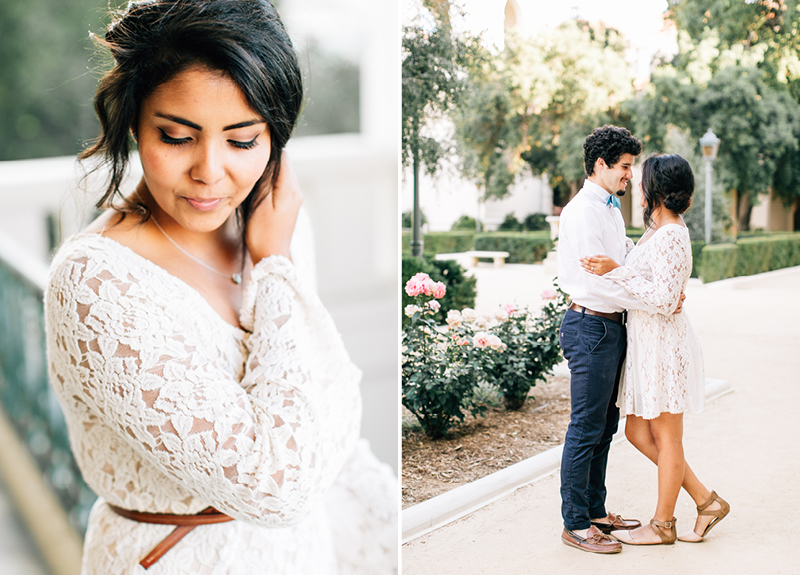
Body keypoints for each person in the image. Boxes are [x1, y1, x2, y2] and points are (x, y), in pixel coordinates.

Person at [43, 1, 396, 573]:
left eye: (242, 140)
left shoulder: (270, 222)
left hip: (304, 554)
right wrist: (276, 267)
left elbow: (318, 429)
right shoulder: (95, 284)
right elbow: (275, 486)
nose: (210, 172)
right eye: (177, 136)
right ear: (134, 120)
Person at [581, 153, 729, 545]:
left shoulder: (673, 233)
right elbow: (654, 283)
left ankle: (663, 524)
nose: (637, 184)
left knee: (667, 438)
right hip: (647, 346)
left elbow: (664, 298)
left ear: (653, 190)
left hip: (665, 347)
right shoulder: (656, 230)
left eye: (642, 179)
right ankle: (704, 499)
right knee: (636, 432)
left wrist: (617, 271)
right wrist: (623, 266)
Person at [556, 125, 676, 554]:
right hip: (590, 326)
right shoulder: (584, 211)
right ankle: (575, 523)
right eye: (625, 167)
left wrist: (661, 291)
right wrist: (654, 299)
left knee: (604, 427)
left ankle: (596, 511)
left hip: (611, 326)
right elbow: (601, 279)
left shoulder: (609, 207)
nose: (631, 175)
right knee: (586, 427)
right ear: (601, 165)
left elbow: (623, 261)